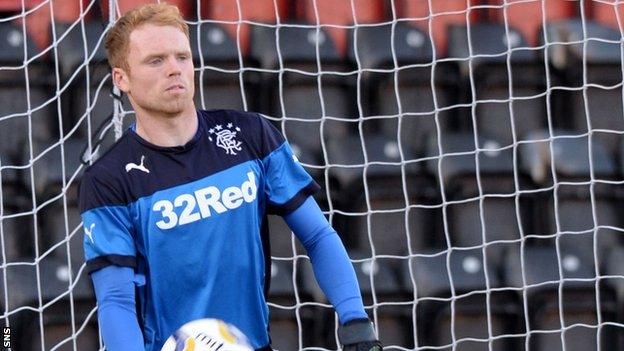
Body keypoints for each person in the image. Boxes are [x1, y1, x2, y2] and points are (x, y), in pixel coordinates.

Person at [78, 3, 383, 351]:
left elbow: (317, 234)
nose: (174, 70)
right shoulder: (108, 180)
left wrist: (355, 319)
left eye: (182, 57)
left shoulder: (250, 135)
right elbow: (116, 300)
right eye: (156, 60)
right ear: (122, 78)